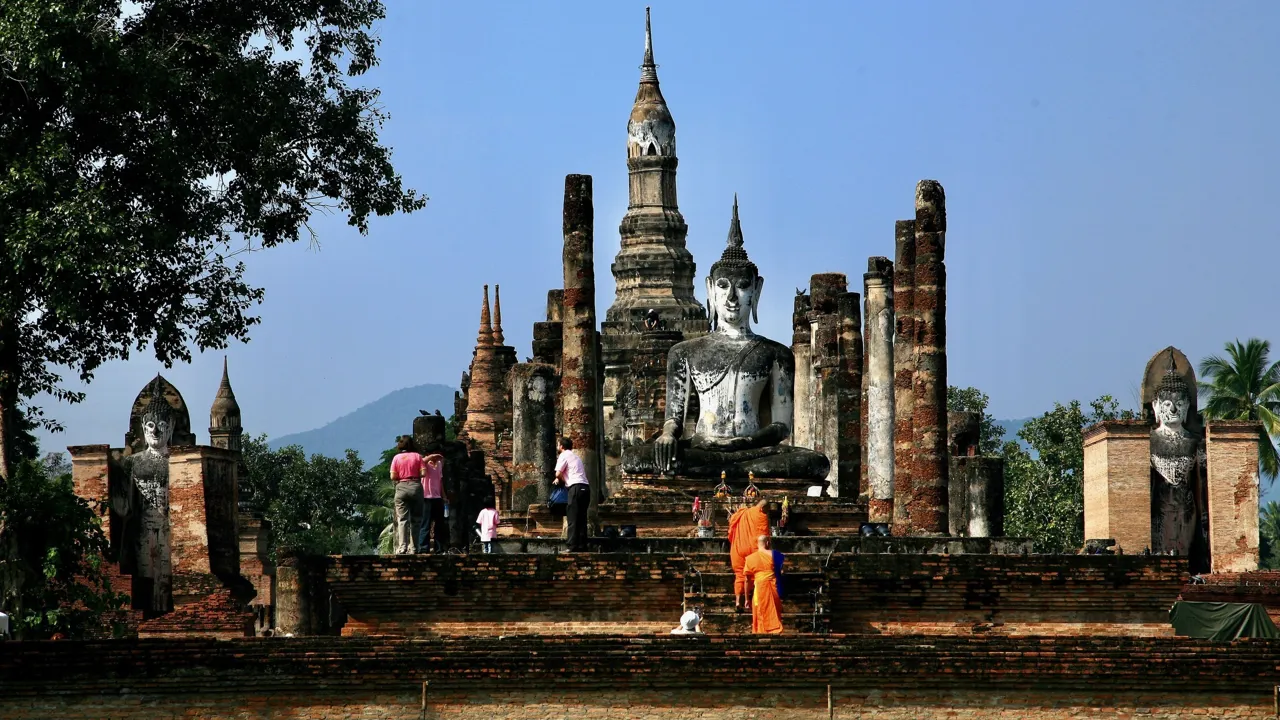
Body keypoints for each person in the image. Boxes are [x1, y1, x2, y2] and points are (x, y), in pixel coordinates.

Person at [728, 496, 770, 612]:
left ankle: (737, 601)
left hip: (738, 548)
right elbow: (763, 536)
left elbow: (731, 527)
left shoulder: (741, 513)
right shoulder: (761, 515)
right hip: (752, 549)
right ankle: (749, 602)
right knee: (752, 575)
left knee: (739, 575)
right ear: (763, 508)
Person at [389, 436, 426, 555]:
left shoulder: (396, 458)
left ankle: (402, 547)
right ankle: (414, 548)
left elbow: (393, 476)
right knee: (416, 519)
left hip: (401, 487)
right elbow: (423, 473)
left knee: (402, 519)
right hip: (415, 486)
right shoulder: (417, 456)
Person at [555, 436, 590, 552]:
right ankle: (582, 545)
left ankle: (572, 545)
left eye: (558, 444)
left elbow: (558, 473)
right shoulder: (576, 456)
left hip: (575, 488)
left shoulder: (563, 455)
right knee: (582, 518)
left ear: (561, 446)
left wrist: (562, 481)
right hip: (585, 488)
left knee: (573, 517)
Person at [743, 534, 784, 634]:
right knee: (773, 612)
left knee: (760, 613)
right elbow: (781, 573)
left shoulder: (750, 558)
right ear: (767, 543)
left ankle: (761, 637)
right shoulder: (775, 554)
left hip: (759, 591)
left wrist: (746, 598)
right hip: (773, 588)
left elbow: (747, 580)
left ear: (757, 544)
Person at [415, 453, 446, 553]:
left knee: (439, 525)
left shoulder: (440, 464)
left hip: (437, 497)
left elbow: (440, 481)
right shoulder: (425, 463)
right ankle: (424, 548)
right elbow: (419, 462)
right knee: (425, 524)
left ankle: (439, 548)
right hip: (426, 497)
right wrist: (430, 457)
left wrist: (444, 495)